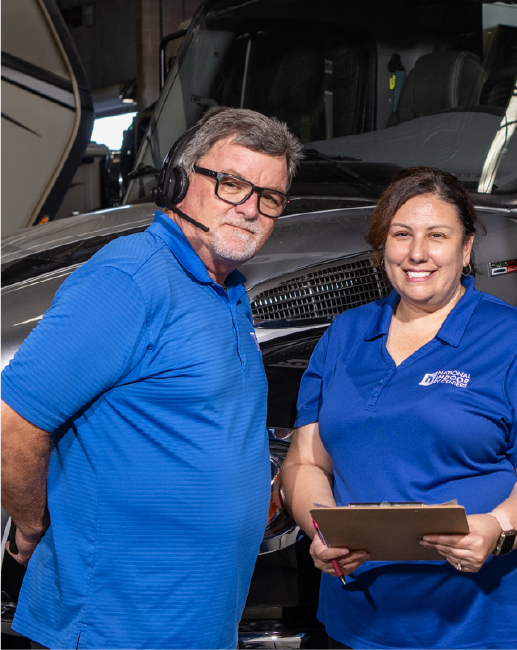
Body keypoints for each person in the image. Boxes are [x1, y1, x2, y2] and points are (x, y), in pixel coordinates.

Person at [1, 107, 304, 649]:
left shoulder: (225, 286)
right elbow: (15, 421)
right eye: (232, 184)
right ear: (178, 181)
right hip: (117, 623)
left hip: (195, 617)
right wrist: (30, 525)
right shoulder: (129, 279)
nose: (251, 209)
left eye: (270, 197)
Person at [281, 166, 517, 649]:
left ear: (465, 251)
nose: (417, 252)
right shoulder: (344, 336)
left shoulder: (514, 340)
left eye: (437, 236)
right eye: (402, 235)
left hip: (490, 623)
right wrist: (322, 525)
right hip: (365, 622)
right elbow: (305, 461)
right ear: (383, 248)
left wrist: (496, 531)